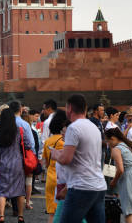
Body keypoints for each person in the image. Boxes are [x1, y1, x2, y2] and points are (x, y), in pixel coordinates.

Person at [51, 94, 107, 223]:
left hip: (81, 187)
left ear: (69, 108)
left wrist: (55, 154)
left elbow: (66, 159)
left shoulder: (74, 128)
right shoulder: (94, 127)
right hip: (98, 186)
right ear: (85, 109)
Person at [0, 108, 32, 223]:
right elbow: (28, 145)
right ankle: (20, 216)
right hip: (17, 164)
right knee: (20, 191)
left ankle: (1, 216)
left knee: (2, 190)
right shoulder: (19, 131)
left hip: (3, 164)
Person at [105, 127, 132, 223]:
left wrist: (114, 181)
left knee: (128, 211)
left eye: (108, 141)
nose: (108, 144)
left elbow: (120, 169)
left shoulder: (116, 149)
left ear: (112, 138)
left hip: (128, 177)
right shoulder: (128, 145)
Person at [42, 110, 67, 223]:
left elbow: (45, 162)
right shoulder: (63, 141)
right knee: (63, 213)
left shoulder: (48, 141)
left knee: (52, 213)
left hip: (50, 177)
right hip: (61, 180)